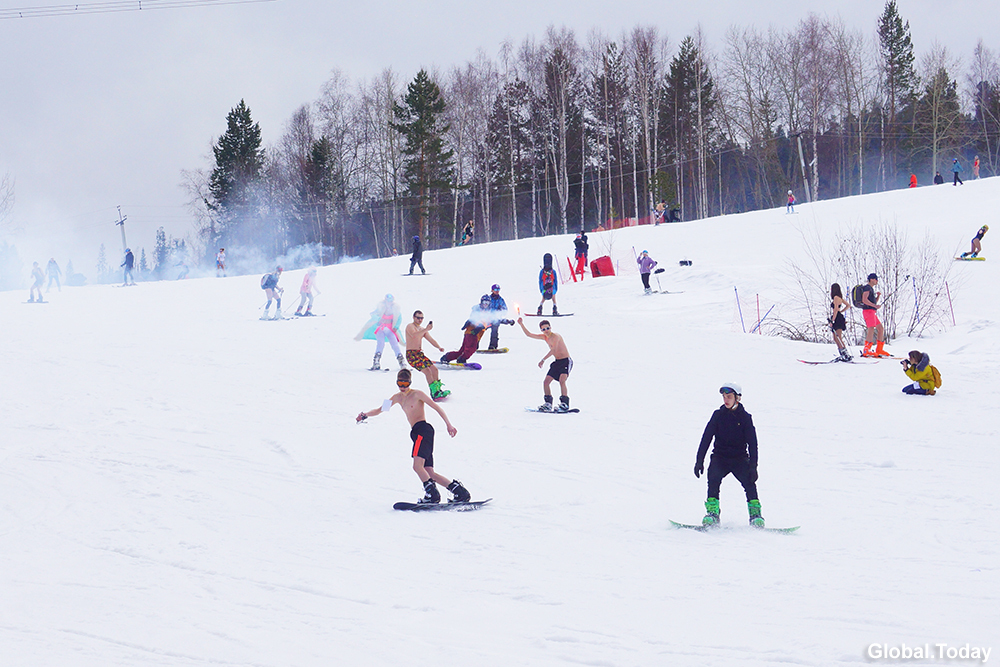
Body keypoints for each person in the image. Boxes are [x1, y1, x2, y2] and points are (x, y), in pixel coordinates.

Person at [356, 369, 470, 504]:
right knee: (429, 472)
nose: (403, 387)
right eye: (400, 383)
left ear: (410, 382)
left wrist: (448, 425)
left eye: (405, 383)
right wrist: (365, 415)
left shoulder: (417, 394)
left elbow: (436, 407)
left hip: (423, 430)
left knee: (417, 466)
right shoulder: (396, 397)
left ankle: (432, 495)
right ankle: (459, 492)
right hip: (417, 433)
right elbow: (380, 409)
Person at [693, 382, 763, 528]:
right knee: (713, 479)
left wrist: (753, 466)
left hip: (739, 459)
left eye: (729, 397)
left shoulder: (745, 418)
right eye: (724, 397)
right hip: (720, 457)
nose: (726, 400)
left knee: (750, 484)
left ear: (738, 398)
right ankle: (713, 514)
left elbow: (753, 444)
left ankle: (755, 516)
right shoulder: (718, 415)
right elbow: (706, 438)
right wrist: (699, 461)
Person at [517, 316, 572, 413]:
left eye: (547, 328)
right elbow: (529, 334)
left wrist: (543, 359)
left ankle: (565, 403)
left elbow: (553, 349)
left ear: (551, 327)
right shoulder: (544, 337)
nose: (546, 330)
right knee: (546, 382)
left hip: (565, 361)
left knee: (562, 380)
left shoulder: (556, 336)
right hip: (557, 361)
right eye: (543, 329)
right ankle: (548, 404)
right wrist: (521, 324)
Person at [442, 295, 513, 364]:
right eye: (484, 302)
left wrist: (508, 321)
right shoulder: (478, 310)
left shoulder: (489, 312)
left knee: (462, 350)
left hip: (474, 333)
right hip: (472, 332)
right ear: (481, 302)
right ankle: (462, 359)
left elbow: (496, 319)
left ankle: (447, 357)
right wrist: (478, 326)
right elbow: (474, 318)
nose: (485, 304)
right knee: (472, 349)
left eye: (487, 303)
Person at [405, 310, 449, 399]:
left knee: (434, 370)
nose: (420, 320)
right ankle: (434, 393)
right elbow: (414, 335)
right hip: (411, 354)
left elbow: (431, 339)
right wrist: (426, 329)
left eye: (421, 318)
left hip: (419, 354)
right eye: (418, 318)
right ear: (413, 317)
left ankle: (438, 389)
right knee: (427, 371)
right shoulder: (410, 326)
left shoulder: (422, 329)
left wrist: (438, 347)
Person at [355, 294, 405, 370]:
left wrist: (396, 327)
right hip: (381, 328)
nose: (389, 303)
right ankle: (376, 361)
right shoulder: (381, 307)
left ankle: (401, 361)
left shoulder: (395, 309)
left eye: (390, 301)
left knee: (394, 343)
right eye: (388, 301)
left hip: (390, 329)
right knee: (380, 344)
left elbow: (399, 318)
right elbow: (373, 315)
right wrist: (379, 319)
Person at [859, 273, 890, 358]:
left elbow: (873, 301)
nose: (877, 281)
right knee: (871, 328)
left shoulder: (871, 289)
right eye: (876, 279)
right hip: (868, 311)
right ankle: (867, 349)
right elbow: (864, 300)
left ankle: (879, 349)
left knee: (880, 328)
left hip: (872, 311)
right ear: (871, 279)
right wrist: (875, 306)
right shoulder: (867, 288)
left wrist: (878, 297)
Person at [829, 284, 852, 361]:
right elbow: (848, 305)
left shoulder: (836, 297)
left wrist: (833, 320)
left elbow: (835, 310)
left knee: (837, 337)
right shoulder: (840, 298)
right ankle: (842, 353)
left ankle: (845, 353)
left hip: (837, 318)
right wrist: (841, 311)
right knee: (836, 337)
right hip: (839, 317)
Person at [486, 284, 509, 350]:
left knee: (494, 332)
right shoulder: (488, 299)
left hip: (496, 319)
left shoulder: (500, 300)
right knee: (480, 330)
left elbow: (505, 309)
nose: (497, 291)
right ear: (492, 290)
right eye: (495, 290)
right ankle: (474, 345)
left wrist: (500, 311)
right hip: (487, 318)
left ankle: (493, 346)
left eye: (498, 290)